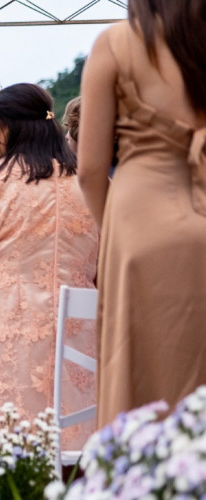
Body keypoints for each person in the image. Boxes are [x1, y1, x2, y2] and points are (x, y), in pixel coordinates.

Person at [0, 83, 99, 448]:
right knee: (76, 444)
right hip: (80, 341)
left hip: (4, 338)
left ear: (5, 129)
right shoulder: (93, 182)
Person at [78, 0, 206, 428]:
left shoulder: (115, 42)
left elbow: (90, 171)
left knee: (139, 378)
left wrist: (115, 232)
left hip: (139, 222)